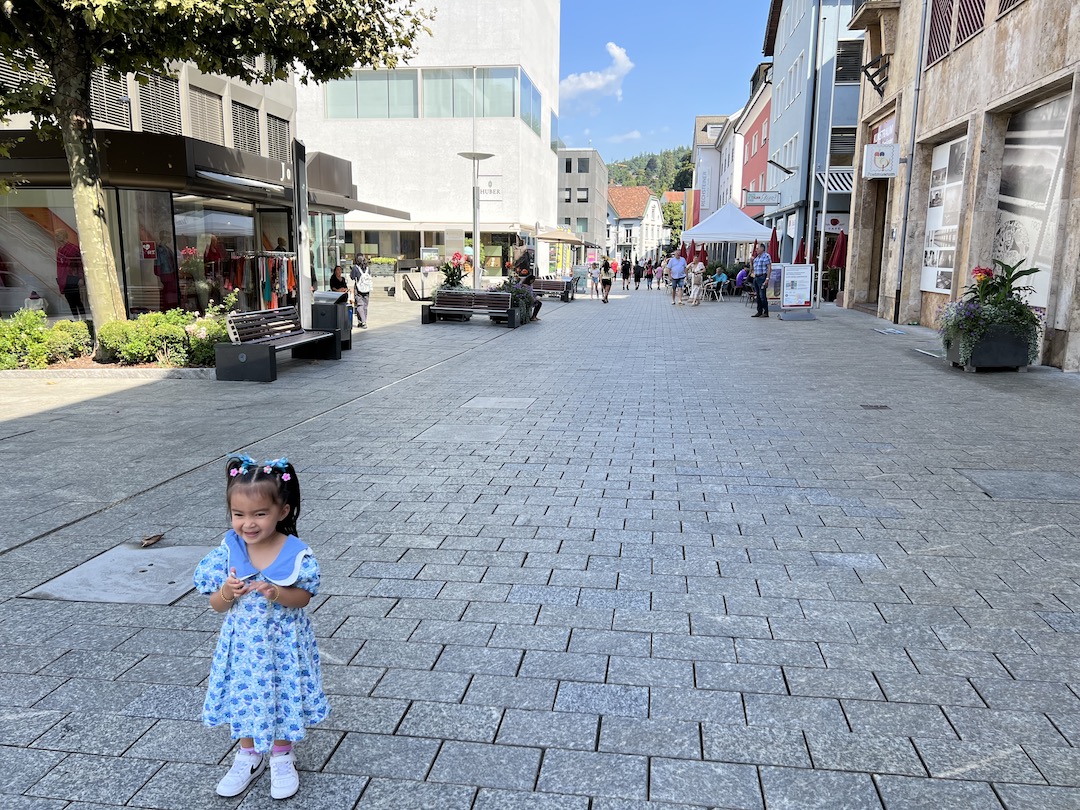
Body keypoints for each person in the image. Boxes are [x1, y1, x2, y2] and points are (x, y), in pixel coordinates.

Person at [194, 454, 329, 801]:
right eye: (238, 514)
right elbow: (216, 605)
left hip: (283, 646)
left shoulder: (295, 553)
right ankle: (248, 755)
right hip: (243, 647)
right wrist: (227, 591)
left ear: (282, 511)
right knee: (245, 694)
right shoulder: (228, 551)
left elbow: (303, 598)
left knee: (282, 694)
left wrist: (278, 592)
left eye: (259, 514)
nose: (248, 524)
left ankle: (282, 755)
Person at [54, 228, 87, 319]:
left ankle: (84, 319)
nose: (56, 238)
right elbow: (59, 266)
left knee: (77, 300)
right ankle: (76, 319)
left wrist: (80, 278)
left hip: (73, 277)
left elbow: (79, 264)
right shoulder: (60, 250)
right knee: (70, 301)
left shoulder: (74, 249)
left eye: (58, 236)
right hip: (64, 278)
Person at [751, 242, 773, 318]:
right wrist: (751, 262)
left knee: (762, 295)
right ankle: (759, 311)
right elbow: (752, 269)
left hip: (762, 277)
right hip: (756, 277)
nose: (756, 250)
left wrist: (767, 278)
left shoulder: (766, 256)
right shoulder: (756, 258)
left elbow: (769, 268)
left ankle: (765, 312)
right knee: (757, 295)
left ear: (762, 248)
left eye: (757, 248)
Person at [350, 255, 372, 329]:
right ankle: (361, 322)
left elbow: (352, 277)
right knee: (365, 306)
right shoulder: (367, 268)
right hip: (367, 289)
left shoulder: (355, 268)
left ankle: (363, 322)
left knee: (360, 305)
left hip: (358, 289)